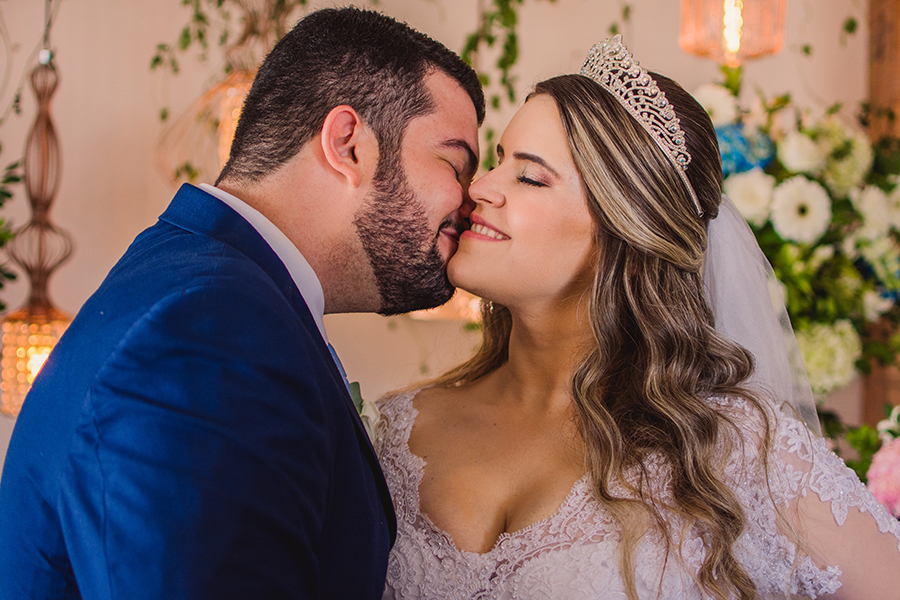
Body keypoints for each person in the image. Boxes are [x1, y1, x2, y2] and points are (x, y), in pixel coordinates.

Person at [375, 35, 900, 599]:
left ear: (625, 236)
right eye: (499, 161)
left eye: (529, 177)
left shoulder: (739, 452)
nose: (477, 188)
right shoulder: (398, 427)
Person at [0, 7, 484, 600]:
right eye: (457, 164)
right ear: (348, 144)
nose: (472, 200)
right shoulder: (212, 329)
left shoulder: (199, 284)